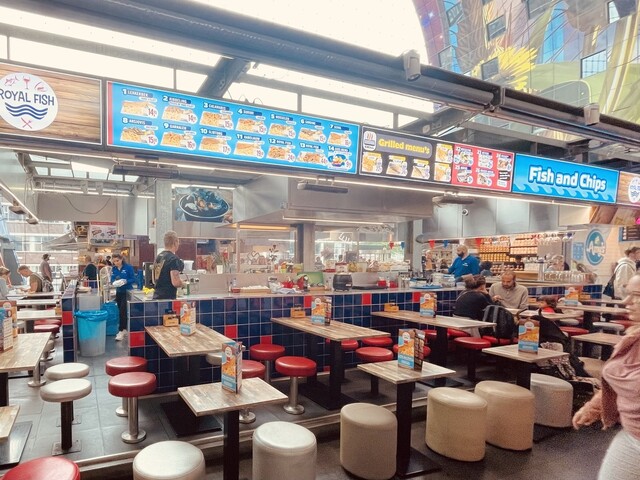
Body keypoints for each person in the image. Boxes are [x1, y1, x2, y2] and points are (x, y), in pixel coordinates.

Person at [572, 273, 640, 480]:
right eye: (628, 294)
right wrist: (594, 407)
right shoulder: (633, 338)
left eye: (637, 296)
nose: (626, 301)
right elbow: (618, 377)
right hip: (632, 436)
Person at [152, 230, 185, 300]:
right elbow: (175, 283)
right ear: (175, 242)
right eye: (178, 242)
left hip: (156, 297)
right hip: (167, 299)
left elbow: (154, 280)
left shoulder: (158, 257)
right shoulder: (173, 259)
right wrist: (183, 283)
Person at [110, 253, 136, 341]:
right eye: (114, 261)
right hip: (119, 292)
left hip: (127, 292)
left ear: (121, 259)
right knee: (120, 311)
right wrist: (114, 282)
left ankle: (121, 330)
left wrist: (125, 281)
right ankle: (124, 329)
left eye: (117, 261)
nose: (116, 263)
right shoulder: (114, 269)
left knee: (123, 311)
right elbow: (112, 278)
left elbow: (133, 279)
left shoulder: (128, 267)